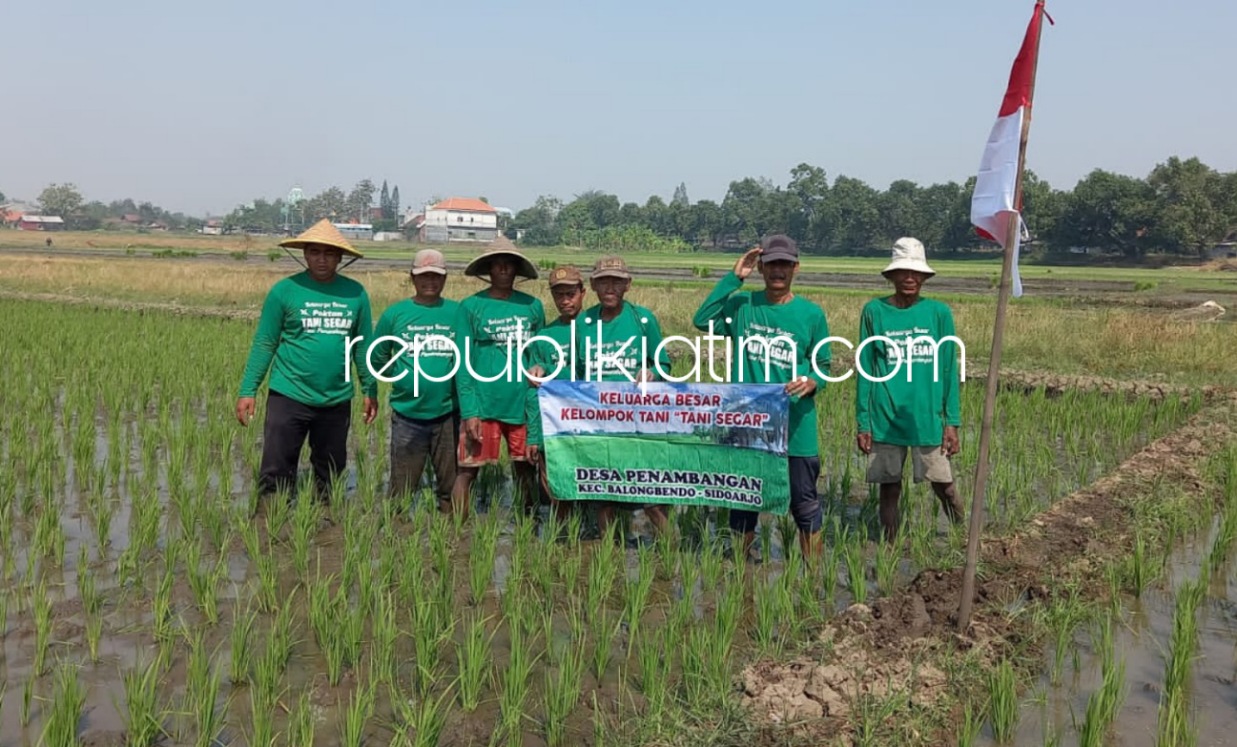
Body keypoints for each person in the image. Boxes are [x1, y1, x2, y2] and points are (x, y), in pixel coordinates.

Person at [692, 234, 831, 561]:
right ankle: (741, 569)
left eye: (784, 264)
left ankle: (813, 577)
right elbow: (702, 320)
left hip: (796, 423)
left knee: (804, 501)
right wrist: (734, 277)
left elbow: (823, 364)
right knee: (742, 499)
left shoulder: (811, 314)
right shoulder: (743, 306)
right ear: (762, 268)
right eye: (770, 265)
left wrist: (813, 381)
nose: (777, 271)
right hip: (747, 422)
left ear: (796, 267)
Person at [236, 219, 378, 503]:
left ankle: (330, 529)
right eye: (314, 252)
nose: (321, 260)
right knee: (276, 469)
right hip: (288, 394)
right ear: (305, 254)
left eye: (329, 253)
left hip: (336, 398)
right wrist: (248, 390)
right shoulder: (284, 291)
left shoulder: (356, 293)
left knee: (331, 474)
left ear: (340, 257)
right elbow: (265, 342)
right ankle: (271, 523)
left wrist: (370, 389)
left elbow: (362, 347)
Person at [855, 237, 966, 543]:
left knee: (943, 484)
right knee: (889, 488)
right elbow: (865, 369)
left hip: (927, 416)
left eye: (916, 273)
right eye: (903, 271)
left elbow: (948, 369)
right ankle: (889, 547)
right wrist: (864, 422)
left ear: (925, 277)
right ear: (891, 276)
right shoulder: (874, 312)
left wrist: (951, 421)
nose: (910, 278)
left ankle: (964, 538)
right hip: (886, 417)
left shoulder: (938, 314)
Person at [575, 255, 673, 539]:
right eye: (603, 281)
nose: (610, 287)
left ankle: (672, 552)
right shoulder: (584, 322)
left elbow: (664, 363)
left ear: (627, 285)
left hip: (639, 422)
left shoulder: (643, 320)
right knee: (604, 493)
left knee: (651, 496)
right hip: (600, 422)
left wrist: (653, 373)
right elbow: (579, 373)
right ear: (593, 285)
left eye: (616, 282)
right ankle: (608, 552)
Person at [453, 240, 546, 518]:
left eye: (510, 263)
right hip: (483, 405)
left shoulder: (532, 306)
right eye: (497, 263)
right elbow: (463, 361)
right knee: (468, 471)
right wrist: (469, 411)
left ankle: (527, 528)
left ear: (517, 269)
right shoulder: (471, 306)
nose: (504, 268)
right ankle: (459, 533)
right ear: (489, 268)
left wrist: (540, 364)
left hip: (521, 404)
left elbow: (539, 351)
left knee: (526, 469)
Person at [370, 249, 463, 514]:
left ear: (445, 279)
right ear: (412, 278)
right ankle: (397, 542)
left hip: (447, 415)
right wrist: (402, 380)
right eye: (424, 276)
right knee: (402, 489)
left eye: (436, 276)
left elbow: (469, 359)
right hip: (407, 417)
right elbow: (377, 358)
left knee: (449, 487)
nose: (430, 282)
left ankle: (450, 541)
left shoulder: (458, 313)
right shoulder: (395, 315)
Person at [525, 265, 588, 522]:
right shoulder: (543, 337)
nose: (565, 300)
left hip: (587, 424)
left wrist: (551, 370)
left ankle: (590, 533)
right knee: (554, 483)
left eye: (570, 293)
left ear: (583, 292)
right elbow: (533, 391)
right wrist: (532, 436)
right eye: (559, 294)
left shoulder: (596, 328)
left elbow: (588, 375)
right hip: (553, 426)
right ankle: (561, 537)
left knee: (588, 485)